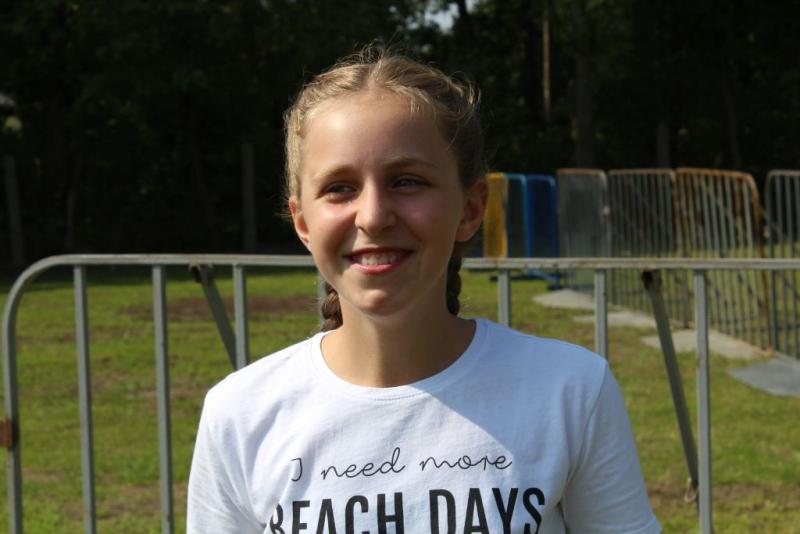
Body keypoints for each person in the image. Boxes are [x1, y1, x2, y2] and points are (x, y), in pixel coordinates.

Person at [187, 47, 660, 534]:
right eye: (340, 188)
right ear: (303, 222)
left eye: (407, 181)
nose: (373, 216)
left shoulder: (570, 391)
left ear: (470, 209)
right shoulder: (241, 415)